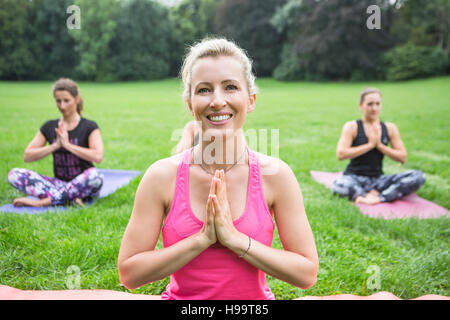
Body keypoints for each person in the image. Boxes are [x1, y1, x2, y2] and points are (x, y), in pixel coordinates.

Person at [118, 38, 318, 300]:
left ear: (251, 100)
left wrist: (235, 240)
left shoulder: (276, 175)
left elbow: (306, 273)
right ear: (190, 104)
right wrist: (201, 240)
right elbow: (130, 274)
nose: (217, 101)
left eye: (230, 87)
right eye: (203, 90)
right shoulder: (161, 176)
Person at [8, 78, 104, 207]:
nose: (62, 106)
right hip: (57, 184)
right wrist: (55, 146)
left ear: (77, 99)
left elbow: (98, 156)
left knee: (96, 176)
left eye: (66, 101)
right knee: (14, 174)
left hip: (83, 183)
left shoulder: (89, 126)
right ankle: (69, 197)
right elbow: (28, 156)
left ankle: (45, 202)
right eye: (58, 101)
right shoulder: (49, 126)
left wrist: (68, 145)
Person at [332, 88, 425, 205]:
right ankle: (366, 195)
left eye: (377, 104)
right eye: (370, 104)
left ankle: (378, 197)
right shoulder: (352, 126)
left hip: (378, 180)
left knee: (418, 176)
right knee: (339, 185)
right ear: (361, 105)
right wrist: (369, 145)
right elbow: (341, 154)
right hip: (354, 177)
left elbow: (402, 157)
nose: (374, 108)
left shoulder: (389, 128)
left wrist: (380, 146)